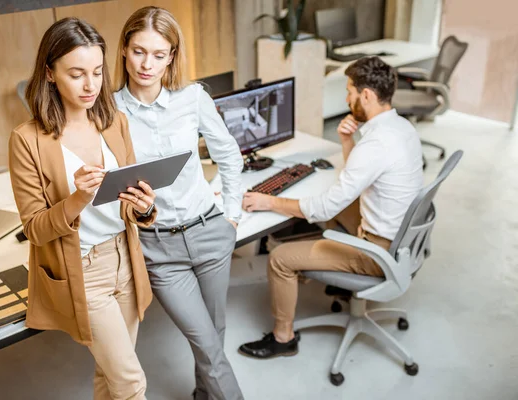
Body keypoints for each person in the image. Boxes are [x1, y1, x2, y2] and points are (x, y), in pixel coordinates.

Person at [8, 18, 157, 400]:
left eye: (97, 72)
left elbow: (132, 203)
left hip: (126, 260)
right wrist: (77, 198)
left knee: (110, 376)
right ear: (50, 73)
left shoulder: (114, 122)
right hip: (84, 272)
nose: (91, 85)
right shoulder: (27, 140)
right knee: (131, 383)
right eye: (76, 74)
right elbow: (36, 230)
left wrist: (143, 208)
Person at [238, 56, 424, 359]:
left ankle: (283, 338)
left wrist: (269, 201)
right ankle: (326, 274)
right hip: (400, 239)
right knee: (336, 204)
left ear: (366, 95)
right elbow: (358, 178)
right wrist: (347, 141)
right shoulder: (401, 127)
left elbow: (323, 209)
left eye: (350, 91)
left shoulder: (375, 144)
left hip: (378, 252)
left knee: (280, 258)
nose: (346, 98)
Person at [113, 6, 244, 400]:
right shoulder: (109, 111)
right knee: (206, 343)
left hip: (210, 233)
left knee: (214, 337)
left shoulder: (193, 98)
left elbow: (230, 155)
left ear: (171, 55)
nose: (147, 64)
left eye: (158, 54)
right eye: (138, 51)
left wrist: (232, 217)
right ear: (123, 49)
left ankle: (204, 396)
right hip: (160, 247)